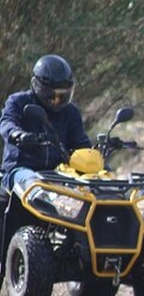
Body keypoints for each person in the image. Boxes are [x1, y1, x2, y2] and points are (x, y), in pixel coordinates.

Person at [0, 54, 91, 194]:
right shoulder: (18, 102)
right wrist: (18, 134)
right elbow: (6, 123)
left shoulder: (71, 112)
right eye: (51, 94)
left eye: (62, 95)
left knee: (97, 184)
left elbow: (81, 143)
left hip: (60, 173)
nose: (56, 100)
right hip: (21, 169)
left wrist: (93, 154)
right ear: (36, 85)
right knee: (35, 187)